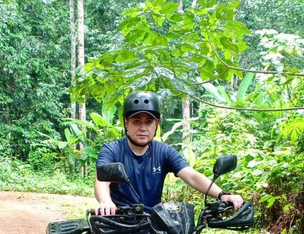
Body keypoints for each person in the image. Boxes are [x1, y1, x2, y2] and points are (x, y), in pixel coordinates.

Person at [94, 90, 244, 216]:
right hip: (119, 221)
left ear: (157, 124)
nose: (143, 128)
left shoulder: (163, 152)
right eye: (137, 121)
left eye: (148, 122)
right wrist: (105, 201)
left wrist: (222, 194)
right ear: (126, 122)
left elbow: (191, 176)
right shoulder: (112, 150)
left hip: (154, 223)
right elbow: (101, 181)